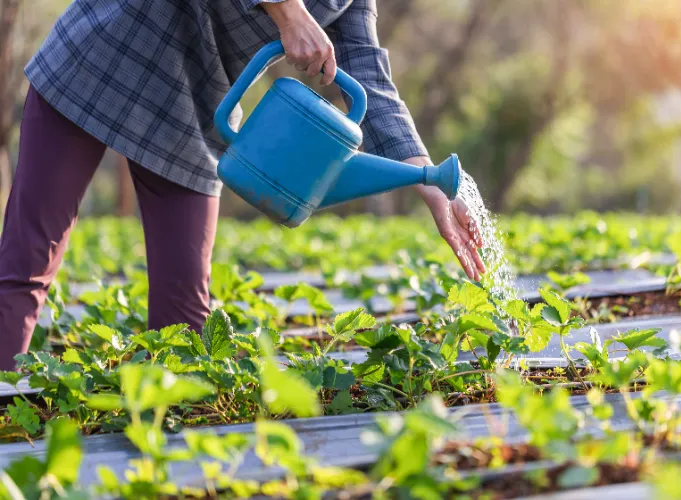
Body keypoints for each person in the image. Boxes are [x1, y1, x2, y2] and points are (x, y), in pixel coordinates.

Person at [0, 0, 486, 370]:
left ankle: (172, 462)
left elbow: (369, 77)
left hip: (192, 102)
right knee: (26, 265)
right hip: (109, 51)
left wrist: (432, 183)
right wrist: (289, 12)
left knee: (184, 314)